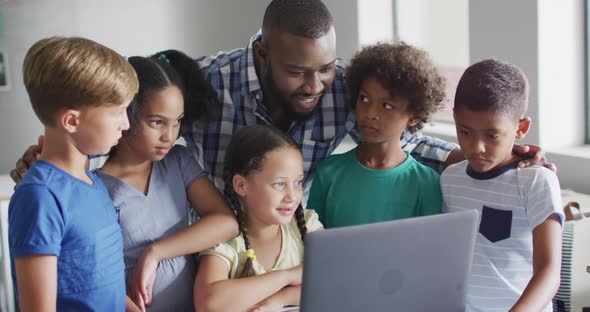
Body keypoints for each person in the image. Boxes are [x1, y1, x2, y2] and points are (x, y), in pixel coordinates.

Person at [10, 0, 551, 200]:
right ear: (264, 53)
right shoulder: (207, 82)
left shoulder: (342, 90)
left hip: (292, 249)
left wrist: (494, 157)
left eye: (324, 70)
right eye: (297, 72)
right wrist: (61, 158)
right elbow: (131, 126)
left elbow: (406, 140)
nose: (315, 87)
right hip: (211, 245)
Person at [94, 51, 238, 311]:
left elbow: (227, 222)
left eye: (177, 122)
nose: (169, 136)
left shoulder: (178, 161)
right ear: (126, 114)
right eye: (157, 122)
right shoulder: (98, 187)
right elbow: (98, 276)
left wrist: (156, 252)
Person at [8, 37, 137, 311]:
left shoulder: (92, 181)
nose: (126, 123)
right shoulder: (40, 197)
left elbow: (93, 277)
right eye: (117, 112)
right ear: (71, 121)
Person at [441, 59, 563, 311]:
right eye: (465, 132)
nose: (477, 147)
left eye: (492, 135)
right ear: (454, 119)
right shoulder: (450, 179)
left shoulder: (536, 181)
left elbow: (549, 273)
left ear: (521, 128)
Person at [308, 42, 444, 228]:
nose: (370, 113)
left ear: (414, 116)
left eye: (386, 105)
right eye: (364, 99)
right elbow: (312, 245)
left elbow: (428, 249)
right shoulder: (328, 173)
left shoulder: (427, 183)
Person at [194, 125, 323, 312]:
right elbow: (209, 304)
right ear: (241, 185)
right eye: (279, 184)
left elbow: (336, 278)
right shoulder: (225, 240)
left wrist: (281, 299)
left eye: (298, 182)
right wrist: (287, 276)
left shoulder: (307, 225)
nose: (292, 196)